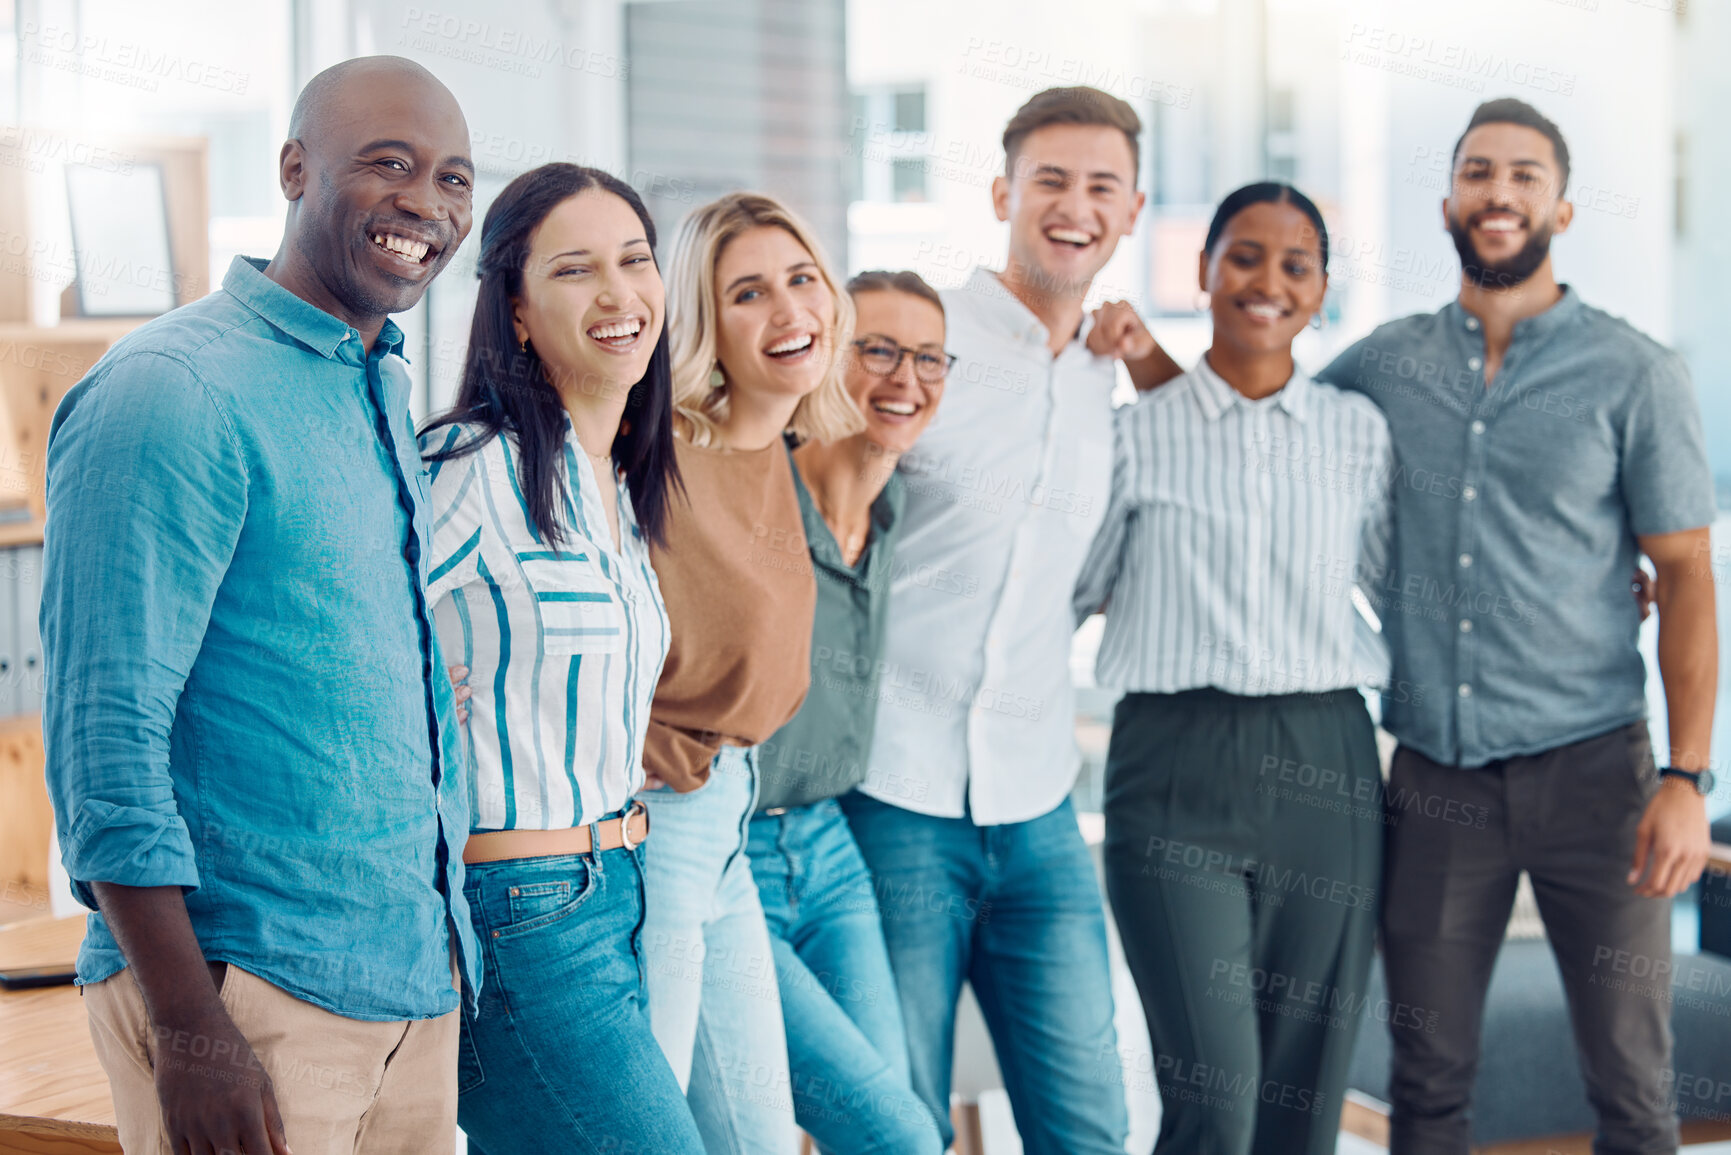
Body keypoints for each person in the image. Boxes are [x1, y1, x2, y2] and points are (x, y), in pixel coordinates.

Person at [41, 57, 478, 1155]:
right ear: (294, 167)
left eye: (454, 180)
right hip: (247, 995)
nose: (426, 204)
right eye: (390, 164)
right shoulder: (172, 389)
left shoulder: (374, 379)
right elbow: (103, 734)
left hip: (409, 987)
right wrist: (191, 1027)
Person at [1313, 98, 1718, 1154]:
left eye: (1525, 175)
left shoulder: (1637, 374)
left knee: (1633, 1084)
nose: (1500, 193)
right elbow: (1262, 440)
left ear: (1561, 207)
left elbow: (1683, 574)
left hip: (1600, 780)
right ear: (1449, 201)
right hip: (1438, 782)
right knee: (1429, 1081)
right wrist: (1137, 366)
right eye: (1480, 172)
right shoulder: (1381, 366)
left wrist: (1687, 777)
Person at [838, 85, 1179, 1155]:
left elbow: (1203, 491)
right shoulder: (910, 342)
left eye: (1101, 188)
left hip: (1038, 811)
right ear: (1003, 193)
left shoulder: (1107, 380)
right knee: (898, 1124)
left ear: (1131, 211)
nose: (1074, 207)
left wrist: (1151, 358)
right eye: (1051, 181)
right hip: (894, 792)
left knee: (1090, 1129)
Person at [1076, 182, 1392, 1155]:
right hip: (1174, 767)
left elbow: (1414, 593)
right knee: (1217, 1094)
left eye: (1296, 264)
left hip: (1326, 762)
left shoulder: (1357, 435)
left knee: (1305, 1098)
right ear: (1204, 270)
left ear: (1323, 289)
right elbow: (1060, 593)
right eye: (1245, 256)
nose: (1268, 281)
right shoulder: (1132, 435)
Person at [418, 164, 704, 1154]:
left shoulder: (612, 479)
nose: (620, 294)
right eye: (577, 270)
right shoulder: (466, 464)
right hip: (520, 913)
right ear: (518, 311)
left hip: (622, 889)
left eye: (634, 261)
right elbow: (343, 658)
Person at [639, 191, 864, 1154]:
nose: (788, 312)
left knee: (757, 1138)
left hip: (729, 814)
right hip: (656, 823)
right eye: (748, 293)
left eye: (801, 280)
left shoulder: (779, 446)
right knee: (648, 1131)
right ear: (703, 319)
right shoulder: (655, 454)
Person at [744, 270, 952, 1154]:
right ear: (829, 356)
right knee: (891, 1133)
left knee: (908, 1122)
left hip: (828, 847)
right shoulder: (756, 493)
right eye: (878, 349)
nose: (905, 377)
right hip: (731, 851)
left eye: (929, 358)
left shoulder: (894, 502)